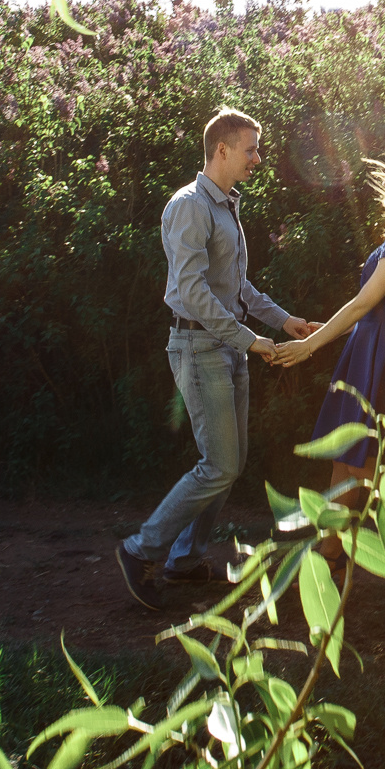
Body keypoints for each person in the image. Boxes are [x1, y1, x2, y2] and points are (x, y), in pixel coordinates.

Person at [115, 109, 319, 612]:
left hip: (227, 345)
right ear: (221, 149)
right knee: (220, 465)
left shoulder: (227, 205)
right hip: (198, 345)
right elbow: (195, 292)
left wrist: (283, 321)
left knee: (228, 464)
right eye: (251, 148)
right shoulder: (189, 206)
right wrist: (253, 341)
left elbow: (238, 286)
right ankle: (139, 551)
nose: (258, 157)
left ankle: (184, 562)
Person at [270, 147, 385, 589]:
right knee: (347, 458)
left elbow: (364, 303)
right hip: (374, 345)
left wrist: (312, 345)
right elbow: (369, 309)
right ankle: (331, 553)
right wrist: (333, 331)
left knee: (363, 467)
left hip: (380, 351)